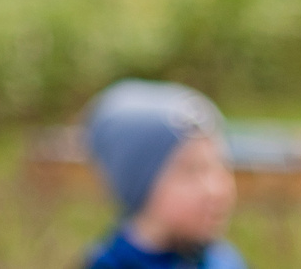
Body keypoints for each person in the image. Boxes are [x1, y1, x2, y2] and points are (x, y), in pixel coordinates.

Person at [81, 80, 247, 269]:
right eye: (190, 171)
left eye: (221, 165)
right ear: (141, 182)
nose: (215, 189)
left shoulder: (224, 261)